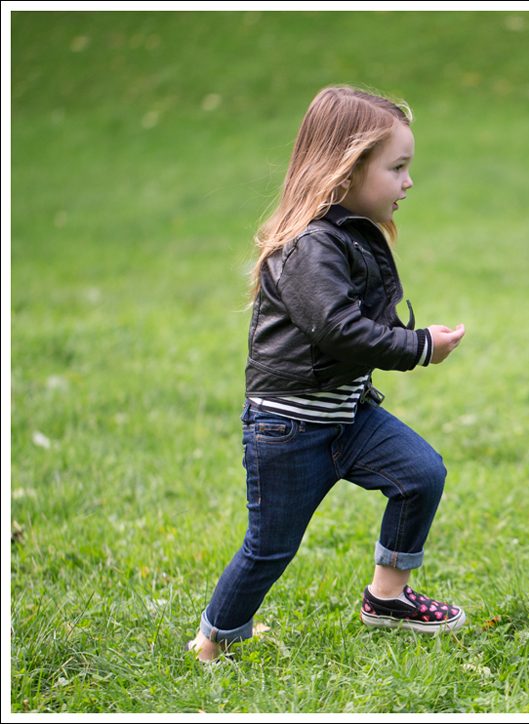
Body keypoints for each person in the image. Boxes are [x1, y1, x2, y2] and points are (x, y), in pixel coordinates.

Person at [187, 86, 467, 662]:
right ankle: (214, 640)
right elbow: (338, 330)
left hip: (347, 416)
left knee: (420, 473)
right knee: (270, 548)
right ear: (344, 171)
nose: (409, 182)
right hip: (288, 432)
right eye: (398, 168)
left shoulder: (347, 232)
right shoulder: (308, 245)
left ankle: (387, 597)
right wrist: (418, 347)